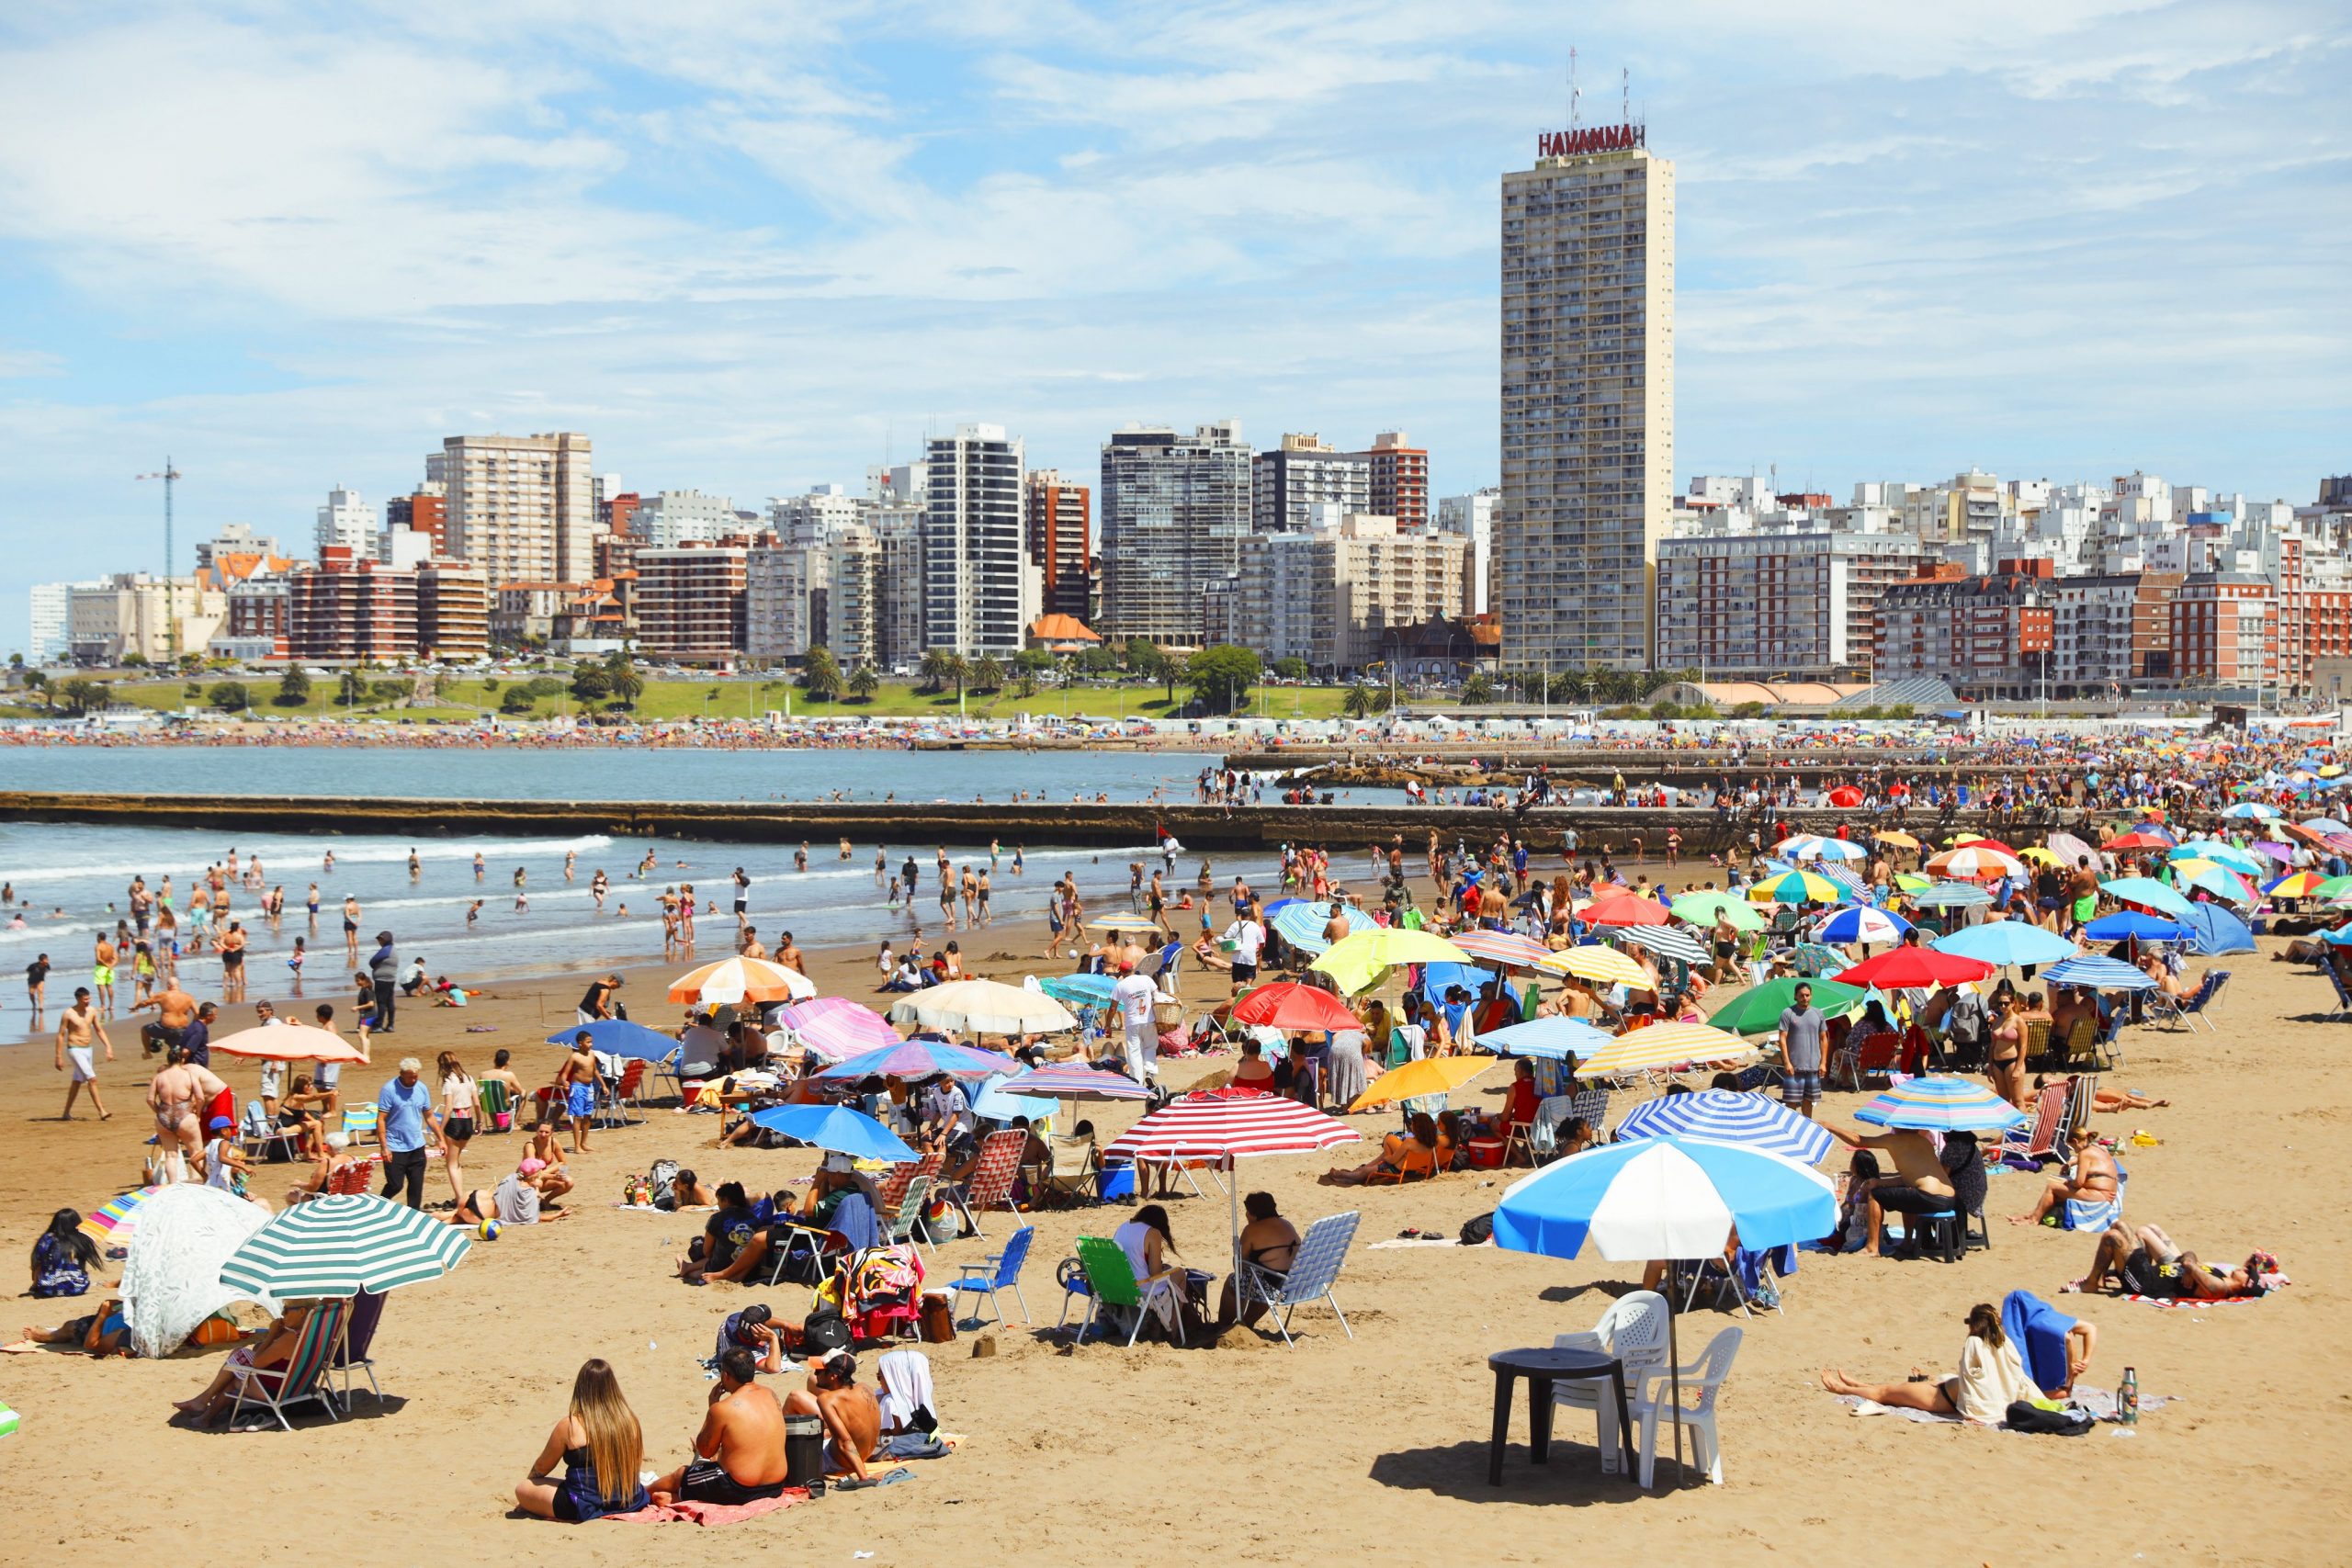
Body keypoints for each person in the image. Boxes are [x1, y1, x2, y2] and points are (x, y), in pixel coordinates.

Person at [1817, 1303, 2041, 1424]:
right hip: (1952, 1391)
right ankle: (1858, 1384)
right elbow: (2015, 1375)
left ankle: (1844, 1388)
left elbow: (1969, 1377)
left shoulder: (1974, 1342)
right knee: (1897, 1389)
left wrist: (1973, 1413)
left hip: (1946, 1398)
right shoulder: (2003, 1341)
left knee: (1887, 1393)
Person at [649, 1346, 792, 1506]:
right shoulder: (771, 1394)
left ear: (725, 1375)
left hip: (739, 1488)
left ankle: (642, 1495)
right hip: (775, 1486)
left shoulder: (722, 1409)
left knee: (681, 1475)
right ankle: (674, 1499)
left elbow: (705, 1451)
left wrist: (712, 1408)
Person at [516, 1359, 650, 1521]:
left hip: (584, 1505)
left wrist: (532, 1483)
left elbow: (542, 1467)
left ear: (581, 1389)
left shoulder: (570, 1425)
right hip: (630, 1500)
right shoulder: (630, 1421)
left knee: (523, 1489)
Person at [1824, 1119, 1955, 1255]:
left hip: (1929, 1197)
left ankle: (1872, 1247)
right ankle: (1907, 1243)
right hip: (1949, 1198)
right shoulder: (1925, 1141)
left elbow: (1858, 1140)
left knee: (1874, 1195)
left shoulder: (1894, 1140)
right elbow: (1910, 1178)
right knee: (1908, 1195)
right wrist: (1880, 1182)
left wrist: (1830, 1126)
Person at [174, 1302, 321, 1421]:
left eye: (286, 1310)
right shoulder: (316, 1333)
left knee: (236, 1366)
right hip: (301, 1386)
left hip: (277, 1390)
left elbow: (257, 1362)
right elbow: (259, 1350)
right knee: (238, 1366)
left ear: (302, 1312)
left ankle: (203, 1405)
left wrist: (272, 1335)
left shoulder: (290, 1338)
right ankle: (203, 1414)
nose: (282, 1314)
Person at [2068, 1222, 2276, 1300]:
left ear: (2245, 1284)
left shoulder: (2220, 1287)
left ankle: (2092, 1284)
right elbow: (2189, 1256)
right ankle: (2103, 1276)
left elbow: (2188, 1261)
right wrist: (2189, 1267)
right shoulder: (2220, 1275)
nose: (2244, 1269)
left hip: (2144, 1283)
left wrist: (2189, 1266)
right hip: (2150, 1272)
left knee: (2111, 1238)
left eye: (2248, 1272)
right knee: (2119, 1225)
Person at [784, 1351, 884, 1482]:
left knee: (781, 1456)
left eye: (819, 1371)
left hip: (838, 1461)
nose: (815, 1374)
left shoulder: (826, 1400)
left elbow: (844, 1442)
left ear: (833, 1376)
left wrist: (863, 1476)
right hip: (866, 1453)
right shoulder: (865, 1387)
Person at [1217, 1191, 1301, 1330]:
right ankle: (1247, 1322)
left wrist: (1237, 1251)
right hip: (1294, 1285)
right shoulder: (1287, 1224)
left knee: (1234, 1281)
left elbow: (1239, 1266)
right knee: (1261, 1277)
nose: (1246, 1215)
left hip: (1274, 1290)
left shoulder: (1252, 1230)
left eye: (1247, 1212)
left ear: (1253, 1214)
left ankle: (1223, 1326)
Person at [2009, 1124, 2120, 1226]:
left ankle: (2033, 1220)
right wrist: (2071, 1162)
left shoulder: (2084, 1154)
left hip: (2099, 1196)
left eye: (2073, 1147)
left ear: (2076, 1141)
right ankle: (2032, 1214)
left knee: (2052, 1186)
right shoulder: (2100, 1148)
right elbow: (2095, 1161)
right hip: (2108, 1193)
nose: (2075, 1151)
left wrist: (2068, 1182)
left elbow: (2079, 1183)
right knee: (2060, 1186)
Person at [1109, 1204, 1192, 1340]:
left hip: (1120, 1287)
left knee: (1169, 1270)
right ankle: (1173, 1329)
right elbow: (1155, 1273)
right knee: (1180, 1273)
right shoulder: (1152, 1233)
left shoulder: (1123, 1227)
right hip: (1143, 1289)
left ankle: (1159, 1322)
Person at [376, 1056, 436, 1209]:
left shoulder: (421, 1088)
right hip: (395, 1146)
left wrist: (441, 1139)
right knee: (396, 1185)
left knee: (416, 1187)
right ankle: (378, 1205)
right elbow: (381, 1119)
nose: (414, 1080)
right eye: (411, 1077)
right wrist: (384, 1147)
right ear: (402, 1074)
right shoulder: (389, 1090)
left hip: (417, 1145)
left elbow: (429, 1115)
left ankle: (414, 1215)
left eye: (416, 1076)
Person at [54, 986, 114, 1122]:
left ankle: (66, 1113)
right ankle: (102, 1111)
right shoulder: (69, 1013)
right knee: (92, 1078)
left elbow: (99, 1029)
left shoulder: (92, 1011)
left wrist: (108, 1046)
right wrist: (58, 1057)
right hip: (74, 1049)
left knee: (77, 1081)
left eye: (89, 998)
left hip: (88, 1049)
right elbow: (60, 1035)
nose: (88, 1001)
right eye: (85, 999)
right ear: (78, 999)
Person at [1777, 980, 1827, 1119]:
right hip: (1794, 1066)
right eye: (1801, 995)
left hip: (1813, 1065)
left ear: (1811, 996)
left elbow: (1824, 1038)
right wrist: (1787, 1062)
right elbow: (1782, 1038)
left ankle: (1808, 1124)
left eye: (1807, 995)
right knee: (1791, 1101)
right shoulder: (1788, 1013)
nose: (1805, 998)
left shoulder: (1818, 1013)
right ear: (1795, 996)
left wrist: (1823, 1063)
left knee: (1809, 1100)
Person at [435, 1051, 478, 1208]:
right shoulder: (469, 1078)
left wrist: (440, 1130)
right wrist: (479, 1121)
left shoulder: (448, 1082)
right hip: (468, 1121)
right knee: (456, 1161)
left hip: (455, 1121)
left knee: (451, 1164)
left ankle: (459, 1199)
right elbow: (477, 1104)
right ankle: (459, 1196)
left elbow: (448, 1108)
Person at [30, 1208, 102, 1298]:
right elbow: (81, 1266)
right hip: (78, 1287)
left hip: (49, 1288)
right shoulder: (82, 1239)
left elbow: (37, 1263)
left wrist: (35, 1285)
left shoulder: (47, 1239)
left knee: (41, 1262)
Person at [560, 1031, 600, 1153]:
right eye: (588, 1042)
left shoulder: (592, 1054)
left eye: (591, 1042)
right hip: (578, 1087)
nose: (591, 1044)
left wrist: (603, 1085)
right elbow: (564, 1074)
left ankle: (584, 1143)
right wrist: (565, 1082)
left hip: (589, 1087)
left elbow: (595, 1071)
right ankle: (577, 1146)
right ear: (580, 1043)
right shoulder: (574, 1057)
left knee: (587, 1116)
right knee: (578, 1117)